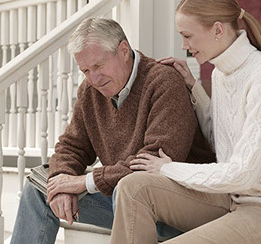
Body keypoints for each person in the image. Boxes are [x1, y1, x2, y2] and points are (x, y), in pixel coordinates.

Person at [110, 0, 261, 243]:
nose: (184, 46)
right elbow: (223, 140)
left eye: (187, 36)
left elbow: (243, 173)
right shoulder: (221, 74)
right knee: (134, 187)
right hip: (231, 198)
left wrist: (169, 169)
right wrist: (194, 88)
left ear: (218, 30)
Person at [10, 17, 216, 244]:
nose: (94, 79)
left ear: (124, 51)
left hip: (177, 208)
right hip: (123, 198)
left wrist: (84, 183)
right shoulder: (91, 90)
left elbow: (154, 161)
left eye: (98, 65)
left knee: (127, 188)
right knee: (40, 187)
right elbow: (72, 145)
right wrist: (61, 181)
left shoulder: (164, 81)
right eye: (85, 70)